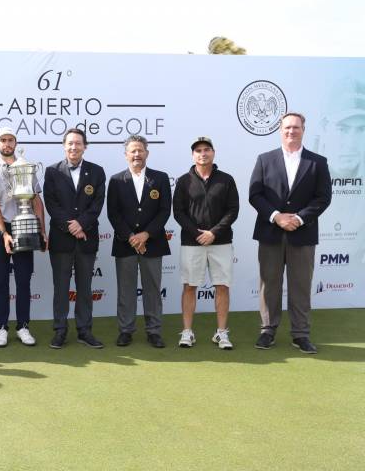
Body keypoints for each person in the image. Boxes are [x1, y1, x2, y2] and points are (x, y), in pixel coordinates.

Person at [249, 112, 332, 354]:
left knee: (301, 285)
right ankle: (267, 330)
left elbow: (323, 197)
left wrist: (298, 218)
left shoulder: (318, 162)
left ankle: (301, 334)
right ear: (280, 130)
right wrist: (276, 216)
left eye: (295, 127)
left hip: (302, 233)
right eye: (286, 128)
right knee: (269, 284)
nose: (291, 131)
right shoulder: (265, 160)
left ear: (303, 129)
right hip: (270, 232)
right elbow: (255, 195)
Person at [0, 128, 46, 347]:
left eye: (10, 140)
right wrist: (4, 234)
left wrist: (42, 230)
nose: (7, 144)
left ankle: (23, 326)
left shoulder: (26, 166)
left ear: (15, 143)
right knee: (0, 281)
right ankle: (1, 328)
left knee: (23, 280)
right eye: (2, 140)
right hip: (0, 229)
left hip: (25, 226)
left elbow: (36, 200)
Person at [173, 137, 239, 349]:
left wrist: (214, 233)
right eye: (198, 150)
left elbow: (233, 210)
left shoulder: (226, 180)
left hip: (221, 242)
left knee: (222, 286)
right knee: (190, 286)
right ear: (193, 155)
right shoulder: (183, 181)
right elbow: (179, 212)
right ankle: (187, 332)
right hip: (192, 243)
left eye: (207, 150)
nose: (203, 153)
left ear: (213, 153)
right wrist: (197, 233)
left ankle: (221, 333)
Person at [43, 128, 106, 349]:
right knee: (61, 287)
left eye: (78, 143)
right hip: (62, 239)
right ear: (64, 146)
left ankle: (84, 330)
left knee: (85, 287)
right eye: (70, 143)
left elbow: (97, 204)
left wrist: (81, 224)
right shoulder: (52, 171)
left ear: (85, 146)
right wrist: (71, 226)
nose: (74, 147)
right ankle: (60, 330)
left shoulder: (97, 172)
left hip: (87, 238)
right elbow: (51, 204)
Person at [107, 135, 171, 348]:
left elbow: (164, 211)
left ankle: (154, 331)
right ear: (126, 155)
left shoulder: (160, 178)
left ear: (147, 153)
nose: (136, 154)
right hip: (125, 244)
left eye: (140, 150)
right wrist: (132, 237)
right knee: (126, 289)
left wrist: (146, 235)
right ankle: (126, 330)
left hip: (153, 243)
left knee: (152, 288)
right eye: (132, 151)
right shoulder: (116, 180)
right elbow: (113, 214)